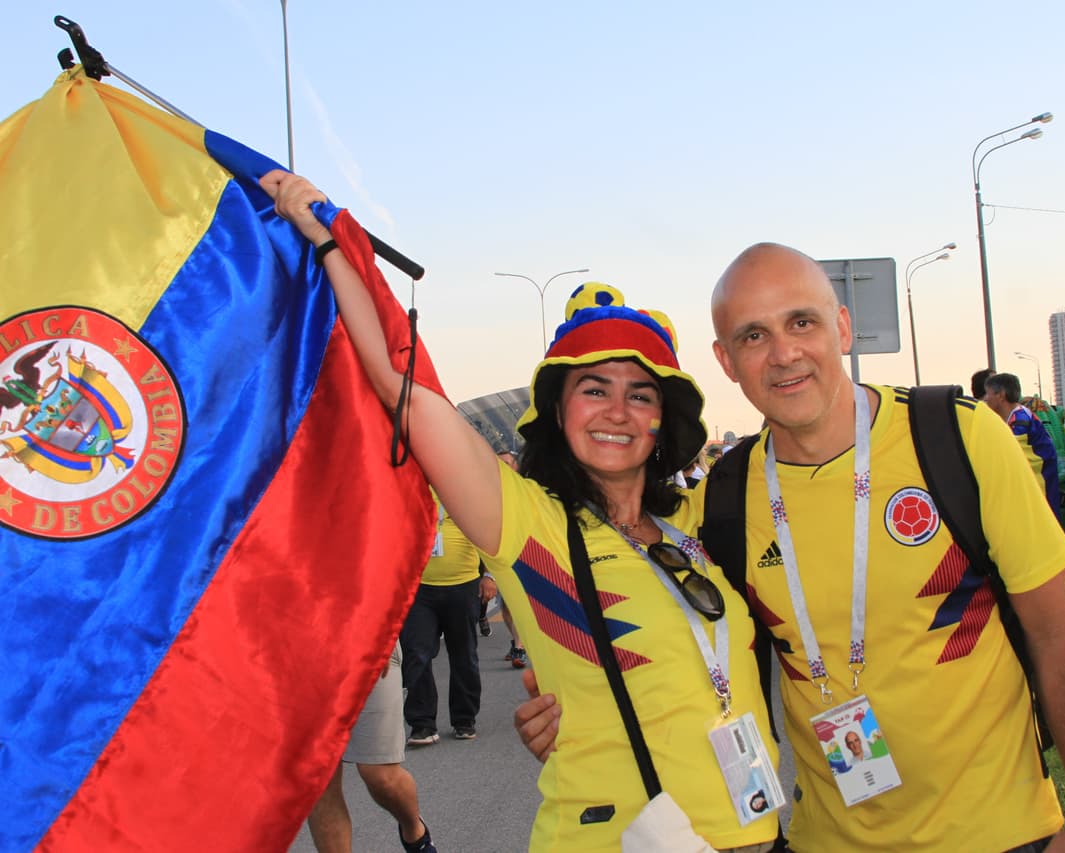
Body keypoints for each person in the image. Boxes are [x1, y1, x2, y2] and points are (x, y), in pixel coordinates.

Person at [520, 243, 1065, 852]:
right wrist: (566, 698)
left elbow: (1055, 630)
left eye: (801, 322)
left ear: (842, 326)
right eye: (753, 336)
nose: (784, 354)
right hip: (823, 841)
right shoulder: (722, 501)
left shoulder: (958, 438)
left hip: (1002, 835)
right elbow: (665, 620)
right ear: (726, 361)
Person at [262, 169, 782, 853]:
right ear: (557, 411)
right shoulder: (527, 520)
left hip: (759, 831)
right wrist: (330, 243)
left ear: (665, 418)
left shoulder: (698, 520)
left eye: (640, 394)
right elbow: (404, 389)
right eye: (594, 389)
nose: (618, 412)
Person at [306, 643, 437, 853]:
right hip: (302, 657)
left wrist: (379, 632)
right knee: (320, 783)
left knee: (379, 774)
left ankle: (414, 831)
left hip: (367, 643)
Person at [401, 500, 495, 744]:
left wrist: (489, 575)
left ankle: (464, 719)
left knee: (463, 655)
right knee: (415, 653)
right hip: (418, 588)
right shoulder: (411, 487)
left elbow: (486, 532)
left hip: (463, 585)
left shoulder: (457, 486)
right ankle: (422, 724)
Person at [984, 372, 1062, 516]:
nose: (985, 399)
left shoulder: (1019, 419)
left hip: (1040, 483)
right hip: (1036, 481)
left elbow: (1010, 454)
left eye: (988, 394)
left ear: (1000, 395)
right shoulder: (1015, 416)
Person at [493, 450, 529, 669]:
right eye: (500, 463)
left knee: (518, 603)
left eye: (507, 463)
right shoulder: (490, 491)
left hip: (523, 553)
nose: (504, 467)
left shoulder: (525, 490)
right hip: (499, 555)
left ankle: (520, 647)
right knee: (505, 607)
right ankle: (516, 641)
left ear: (516, 466)